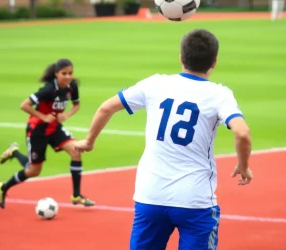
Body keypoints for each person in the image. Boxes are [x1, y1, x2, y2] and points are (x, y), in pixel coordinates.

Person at [73, 29, 253, 250]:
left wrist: (89, 141)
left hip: (150, 196)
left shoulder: (154, 84)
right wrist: (243, 166)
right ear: (214, 62)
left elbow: (106, 107)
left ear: (181, 58)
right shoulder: (219, 94)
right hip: (194, 200)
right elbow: (242, 133)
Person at [0, 58, 95, 209]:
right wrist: (43, 117)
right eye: (64, 73)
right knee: (33, 170)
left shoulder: (72, 86)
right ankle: (5, 183)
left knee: (76, 152)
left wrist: (66, 115)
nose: (68, 77)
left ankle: (76, 196)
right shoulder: (48, 90)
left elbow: (76, 105)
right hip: (37, 130)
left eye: (70, 73)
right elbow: (24, 105)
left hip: (55, 128)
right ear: (56, 74)